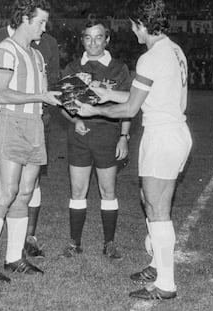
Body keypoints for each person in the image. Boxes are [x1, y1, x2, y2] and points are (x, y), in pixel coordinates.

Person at [77, 0, 192, 300]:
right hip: (173, 134)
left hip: (163, 136)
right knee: (150, 201)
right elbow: (141, 91)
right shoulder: (173, 49)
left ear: (143, 25)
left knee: (157, 208)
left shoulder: (151, 56)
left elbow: (130, 107)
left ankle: (166, 284)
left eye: (133, 24)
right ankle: (157, 266)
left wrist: (92, 111)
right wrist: (106, 93)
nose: (131, 29)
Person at [0, 0, 61, 283]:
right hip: (12, 125)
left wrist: (69, 92)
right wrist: (40, 98)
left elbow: (45, 92)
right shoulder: (6, 50)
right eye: (40, 22)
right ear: (24, 18)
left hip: (34, 125)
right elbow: (2, 94)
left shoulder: (36, 55)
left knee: (24, 193)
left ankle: (14, 258)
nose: (44, 29)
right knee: (6, 193)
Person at [59, 18, 132, 260]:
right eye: (88, 37)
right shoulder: (71, 68)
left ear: (107, 39)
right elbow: (63, 106)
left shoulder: (119, 68)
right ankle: (74, 243)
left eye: (98, 37)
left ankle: (109, 243)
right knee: (78, 190)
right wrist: (75, 120)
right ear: (82, 40)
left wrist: (124, 136)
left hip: (108, 135)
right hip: (79, 137)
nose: (93, 42)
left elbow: (130, 106)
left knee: (107, 190)